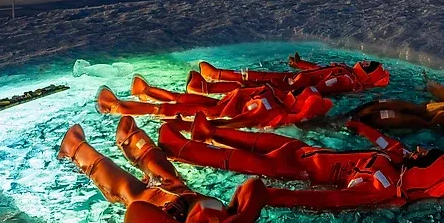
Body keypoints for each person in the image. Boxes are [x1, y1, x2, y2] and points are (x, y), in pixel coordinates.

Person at [57, 116, 267, 223]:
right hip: (178, 200)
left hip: (156, 212)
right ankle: (131, 139)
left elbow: (138, 213)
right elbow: (255, 186)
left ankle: (75, 148)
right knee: (166, 176)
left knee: (128, 188)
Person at [158, 114, 444, 210]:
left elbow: (329, 198)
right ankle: (208, 131)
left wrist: (274, 195)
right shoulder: (398, 159)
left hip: (299, 170)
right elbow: (385, 141)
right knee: (255, 142)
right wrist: (360, 127)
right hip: (305, 150)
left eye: (422, 156)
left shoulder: (381, 188)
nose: (416, 151)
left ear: (421, 171)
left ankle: (176, 147)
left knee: (239, 159)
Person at [95, 76, 332, 129]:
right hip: (233, 104)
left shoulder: (277, 111)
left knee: (181, 108)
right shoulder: (280, 103)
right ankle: (146, 93)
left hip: (228, 110)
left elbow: (241, 119)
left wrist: (217, 123)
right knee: (190, 103)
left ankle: (119, 107)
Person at [193, 53, 389, 96]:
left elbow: (322, 86)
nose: (365, 62)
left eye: (368, 65)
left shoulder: (346, 79)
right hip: (297, 80)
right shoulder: (346, 72)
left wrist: (297, 88)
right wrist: (300, 64)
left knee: (257, 86)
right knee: (260, 76)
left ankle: (208, 87)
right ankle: (217, 74)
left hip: (296, 86)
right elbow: (319, 69)